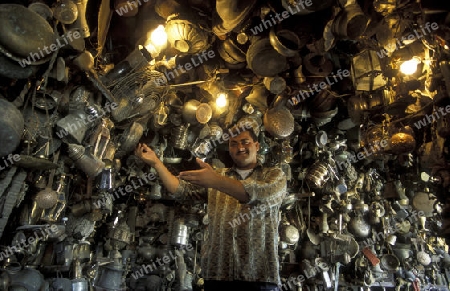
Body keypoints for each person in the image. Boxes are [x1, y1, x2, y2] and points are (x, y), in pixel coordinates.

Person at [135, 118, 286, 291]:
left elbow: (254, 195)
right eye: (233, 144)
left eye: (245, 142)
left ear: (257, 146)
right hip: (218, 275)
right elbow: (181, 191)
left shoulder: (275, 176)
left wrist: (214, 180)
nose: (240, 148)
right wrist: (156, 162)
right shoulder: (217, 176)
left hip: (259, 277)